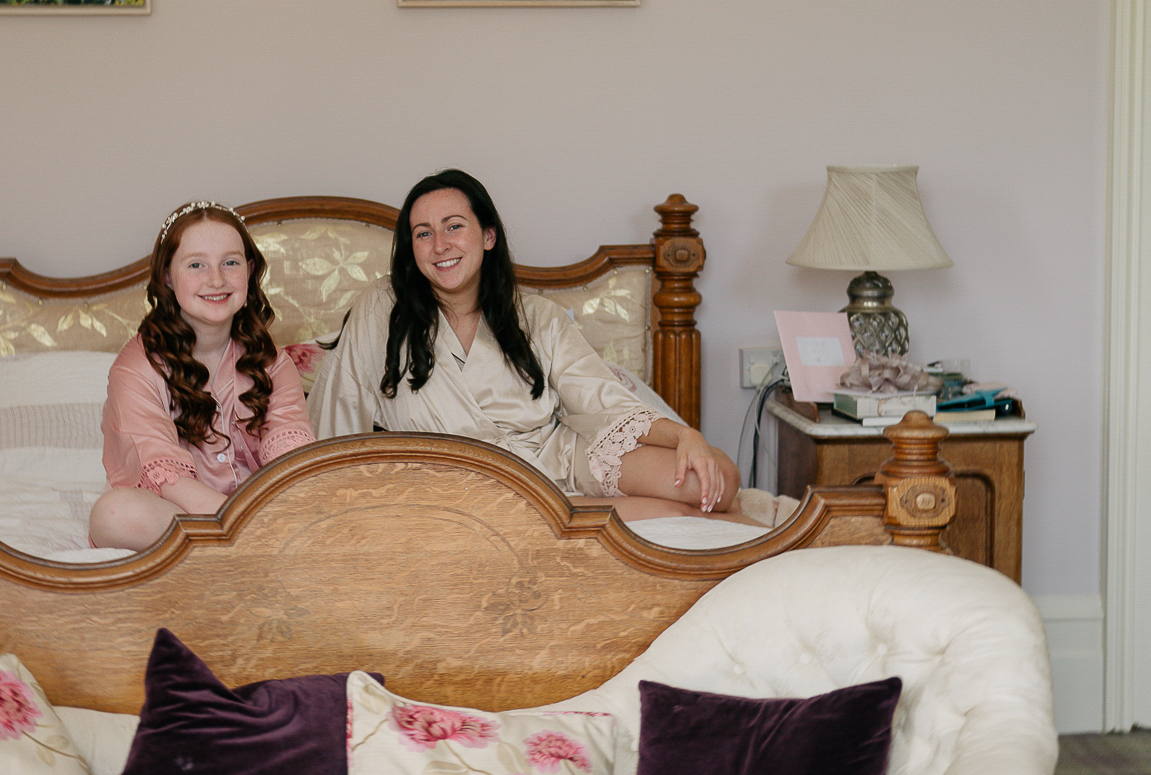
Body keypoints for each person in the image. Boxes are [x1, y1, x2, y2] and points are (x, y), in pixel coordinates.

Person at [309, 169, 747, 523]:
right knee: (676, 514)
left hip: (553, 457)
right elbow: (340, 408)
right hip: (455, 485)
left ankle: (578, 519)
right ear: (411, 248)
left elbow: (601, 398)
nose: (440, 245)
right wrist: (327, 503)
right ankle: (585, 521)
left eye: (454, 227)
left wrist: (685, 435)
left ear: (488, 236)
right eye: (423, 234)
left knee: (717, 478)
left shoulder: (536, 316)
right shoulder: (382, 308)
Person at [90, 201, 314, 550]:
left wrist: (285, 516)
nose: (216, 279)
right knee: (114, 513)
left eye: (230, 262)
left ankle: (238, 560)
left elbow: (291, 457)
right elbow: (169, 481)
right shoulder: (136, 367)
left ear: (250, 270)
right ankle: (249, 558)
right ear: (167, 276)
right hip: (183, 517)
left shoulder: (273, 362)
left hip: (265, 515)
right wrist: (249, 530)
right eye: (196, 264)